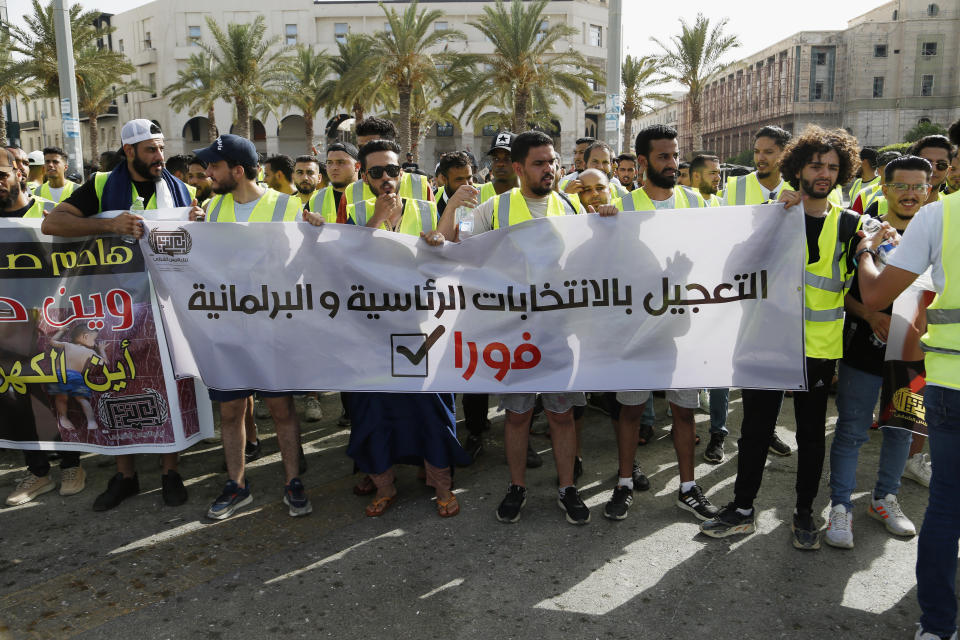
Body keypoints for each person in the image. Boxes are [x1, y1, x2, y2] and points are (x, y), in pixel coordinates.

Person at [700, 125, 862, 550]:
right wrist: (774, 218)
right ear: (797, 168)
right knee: (754, 430)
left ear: (842, 172)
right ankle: (741, 508)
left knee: (810, 435)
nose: (824, 172)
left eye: (832, 166)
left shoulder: (852, 226)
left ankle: (804, 511)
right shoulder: (770, 213)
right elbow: (734, 271)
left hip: (818, 350)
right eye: (815, 164)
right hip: (766, 340)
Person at [307, 139, 469, 518]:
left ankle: (440, 484)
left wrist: (440, 237)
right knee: (374, 412)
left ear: (402, 172)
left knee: (430, 410)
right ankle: (384, 484)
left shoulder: (428, 208)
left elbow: (451, 255)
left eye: (392, 170)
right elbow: (343, 267)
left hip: (422, 331)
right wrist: (376, 221)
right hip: (371, 335)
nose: (386, 179)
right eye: (376, 172)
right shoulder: (356, 214)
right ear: (364, 177)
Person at [41, 119, 197, 511]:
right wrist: (109, 223)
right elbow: (52, 221)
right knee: (114, 386)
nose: (159, 157)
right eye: (150, 150)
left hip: (165, 310)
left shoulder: (182, 190)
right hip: (114, 312)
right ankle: (124, 475)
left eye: (161, 148)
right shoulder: (98, 186)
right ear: (129, 151)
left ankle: (170, 472)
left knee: (168, 387)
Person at [438, 131, 588, 524]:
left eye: (553, 162)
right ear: (519, 168)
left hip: (557, 332)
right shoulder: (494, 208)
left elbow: (594, 260)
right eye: (540, 163)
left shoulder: (572, 207)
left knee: (561, 413)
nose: (550, 169)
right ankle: (517, 486)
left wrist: (606, 219)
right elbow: (458, 246)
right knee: (518, 414)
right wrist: (455, 206)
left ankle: (567, 487)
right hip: (514, 334)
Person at [856, 117, 960, 640]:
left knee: (946, 506)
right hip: (926, 373)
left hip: (947, 381)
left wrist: (865, 254)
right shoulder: (929, 218)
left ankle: (938, 626)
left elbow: (876, 292)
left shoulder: (942, 217)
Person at [191, 134, 310, 520]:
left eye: (214, 167)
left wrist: (317, 235)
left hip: (272, 327)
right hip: (227, 328)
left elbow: (303, 267)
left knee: (281, 409)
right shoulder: (210, 210)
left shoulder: (288, 207)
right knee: (230, 412)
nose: (207, 173)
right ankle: (237, 484)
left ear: (237, 171)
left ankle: (293, 481)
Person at [600, 125, 715, 522]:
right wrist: (605, 226)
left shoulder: (697, 204)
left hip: (684, 330)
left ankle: (687, 488)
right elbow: (610, 269)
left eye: (676, 154)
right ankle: (625, 482)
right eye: (664, 157)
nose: (673, 163)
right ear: (644, 162)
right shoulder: (623, 207)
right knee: (630, 410)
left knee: (684, 411)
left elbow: (715, 255)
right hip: (637, 329)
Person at [825, 155, 934, 549]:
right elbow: (842, 294)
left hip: (915, 353)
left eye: (917, 186)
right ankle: (840, 507)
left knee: (900, 430)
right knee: (852, 430)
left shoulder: (938, 231)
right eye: (901, 186)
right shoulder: (865, 231)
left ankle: (884, 500)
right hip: (864, 349)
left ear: (929, 188)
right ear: (884, 189)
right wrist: (870, 315)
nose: (909, 194)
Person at [0, 149, 85, 505]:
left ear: (18, 171)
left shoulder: (47, 214)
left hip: (51, 325)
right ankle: (37, 473)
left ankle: (71, 465)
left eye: (1, 174)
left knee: (56, 395)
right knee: (14, 400)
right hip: (7, 332)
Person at [720, 125, 795, 457]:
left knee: (776, 369)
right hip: (745, 294)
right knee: (746, 367)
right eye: (757, 151)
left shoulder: (799, 189)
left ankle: (767, 430)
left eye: (768, 151)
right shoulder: (735, 188)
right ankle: (744, 431)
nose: (760, 158)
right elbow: (723, 239)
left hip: (783, 297)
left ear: (783, 153)